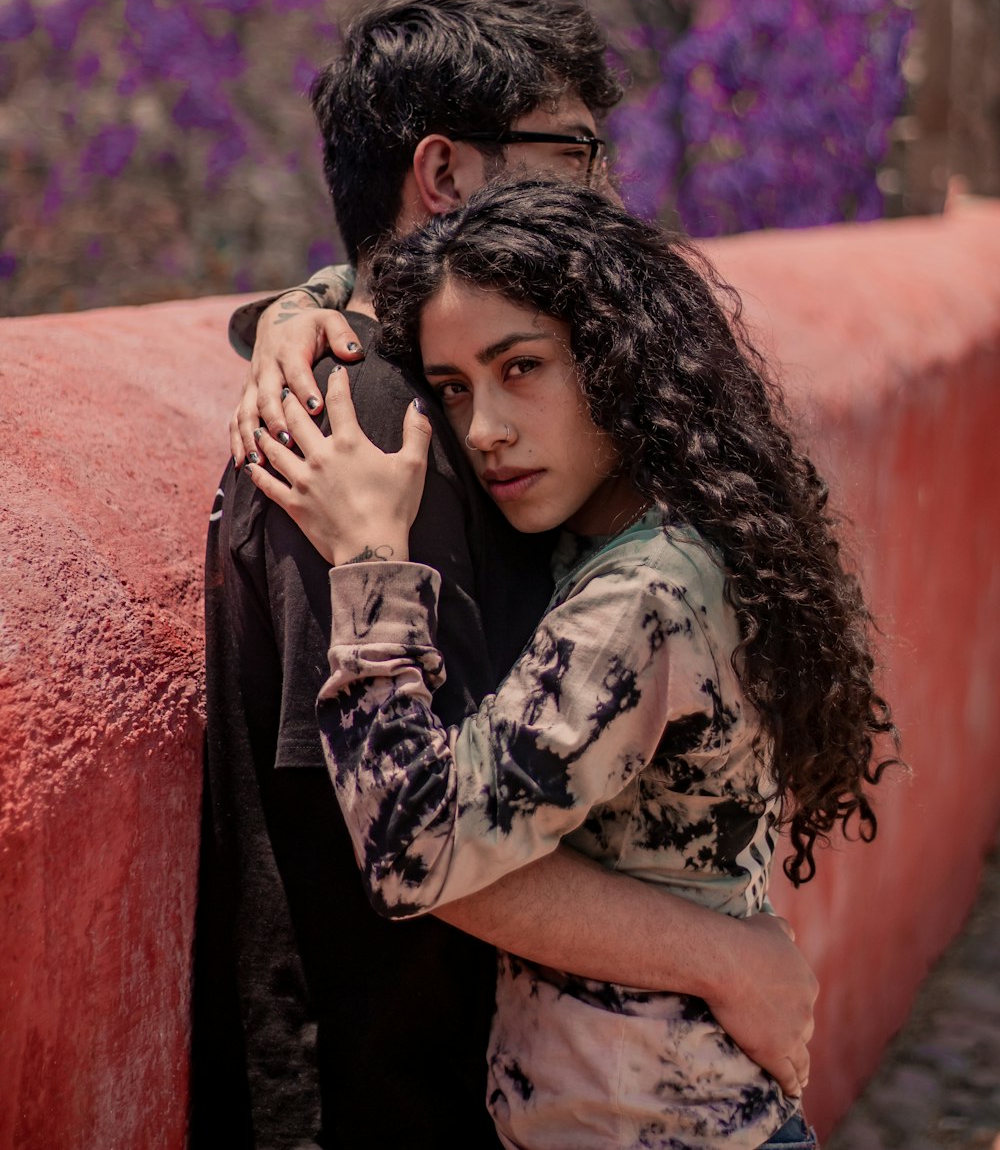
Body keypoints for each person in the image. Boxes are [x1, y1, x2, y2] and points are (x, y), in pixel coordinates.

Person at [196, 0, 817, 1150]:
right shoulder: (370, 424)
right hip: (392, 1086)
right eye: (575, 149)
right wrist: (733, 957)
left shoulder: (605, 508)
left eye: (518, 369)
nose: (607, 192)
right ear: (445, 173)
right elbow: (410, 842)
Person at [244, 175, 900, 1150]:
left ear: (615, 359)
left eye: (522, 369)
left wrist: (371, 557)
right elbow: (390, 285)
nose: (484, 430)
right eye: (455, 388)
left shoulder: (643, 599)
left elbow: (416, 851)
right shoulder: (656, 527)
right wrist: (299, 310)